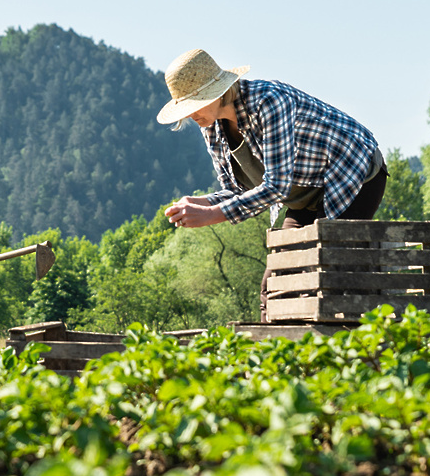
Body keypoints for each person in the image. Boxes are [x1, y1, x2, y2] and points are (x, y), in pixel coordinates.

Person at [156, 49, 387, 322]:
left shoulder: (269, 101)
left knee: (322, 271)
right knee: (276, 281)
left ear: (216, 93)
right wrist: (202, 203)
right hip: (304, 192)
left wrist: (212, 215)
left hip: (353, 175)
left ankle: (355, 345)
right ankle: (276, 355)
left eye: (194, 104)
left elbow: (276, 185)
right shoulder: (211, 126)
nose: (191, 114)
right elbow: (237, 191)